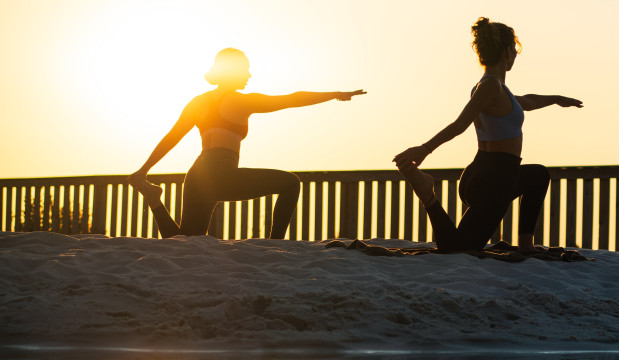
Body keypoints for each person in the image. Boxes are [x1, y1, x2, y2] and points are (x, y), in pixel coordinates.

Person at [127, 48, 366, 239]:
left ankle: (154, 200)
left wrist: (143, 171)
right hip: (220, 172)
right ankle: (274, 245)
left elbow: (172, 137)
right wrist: (335, 93)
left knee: (185, 241)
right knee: (291, 183)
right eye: (247, 70)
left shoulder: (198, 102)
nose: (250, 76)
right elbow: (292, 99)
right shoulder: (242, 102)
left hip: (197, 174)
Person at [393, 18, 582, 252]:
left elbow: (527, 101)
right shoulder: (490, 87)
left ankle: (526, 244)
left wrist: (555, 99)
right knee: (457, 248)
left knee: (538, 175)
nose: (515, 56)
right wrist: (424, 149)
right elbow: (460, 124)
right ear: (506, 52)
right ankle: (427, 194)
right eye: (514, 50)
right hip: (494, 178)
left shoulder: (497, 89)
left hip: (497, 173)